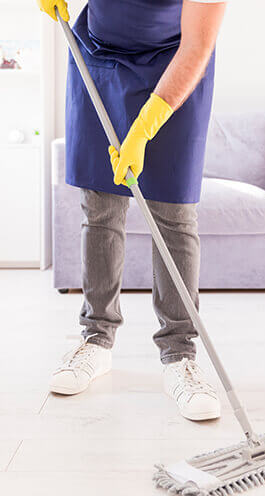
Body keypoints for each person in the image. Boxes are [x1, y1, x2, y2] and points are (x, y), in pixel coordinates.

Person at [37, 0, 227, 421]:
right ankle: (96, 338)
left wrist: (145, 127)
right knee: (100, 207)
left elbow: (196, 46)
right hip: (98, 58)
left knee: (173, 212)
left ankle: (180, 355)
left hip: (175, 63)